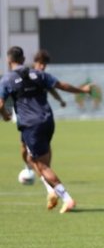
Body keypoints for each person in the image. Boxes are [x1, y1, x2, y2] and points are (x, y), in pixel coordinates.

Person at [1, 46, 92, 213]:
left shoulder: (7, 79)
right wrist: (83, 90)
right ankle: (51, 190)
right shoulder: (40, 75)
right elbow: (62, 86)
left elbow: (0, 104)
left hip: (31, 125)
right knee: (37, 159)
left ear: (9, 61)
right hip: (48, 121)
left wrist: (5, 114)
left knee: (41, 165)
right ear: (23, 59)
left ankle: (67, 198)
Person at [18, 50, 66, 185]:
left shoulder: (43, 77)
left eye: (45, 64)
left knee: (43, 148)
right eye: (41, 63)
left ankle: (46, 175)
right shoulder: (26, 75)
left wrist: (60, 100)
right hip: (26, 118)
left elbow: (52, 89)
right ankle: (29, 167)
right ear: (35, 63)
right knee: (23, 147)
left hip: (40, 119)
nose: (43, 66)